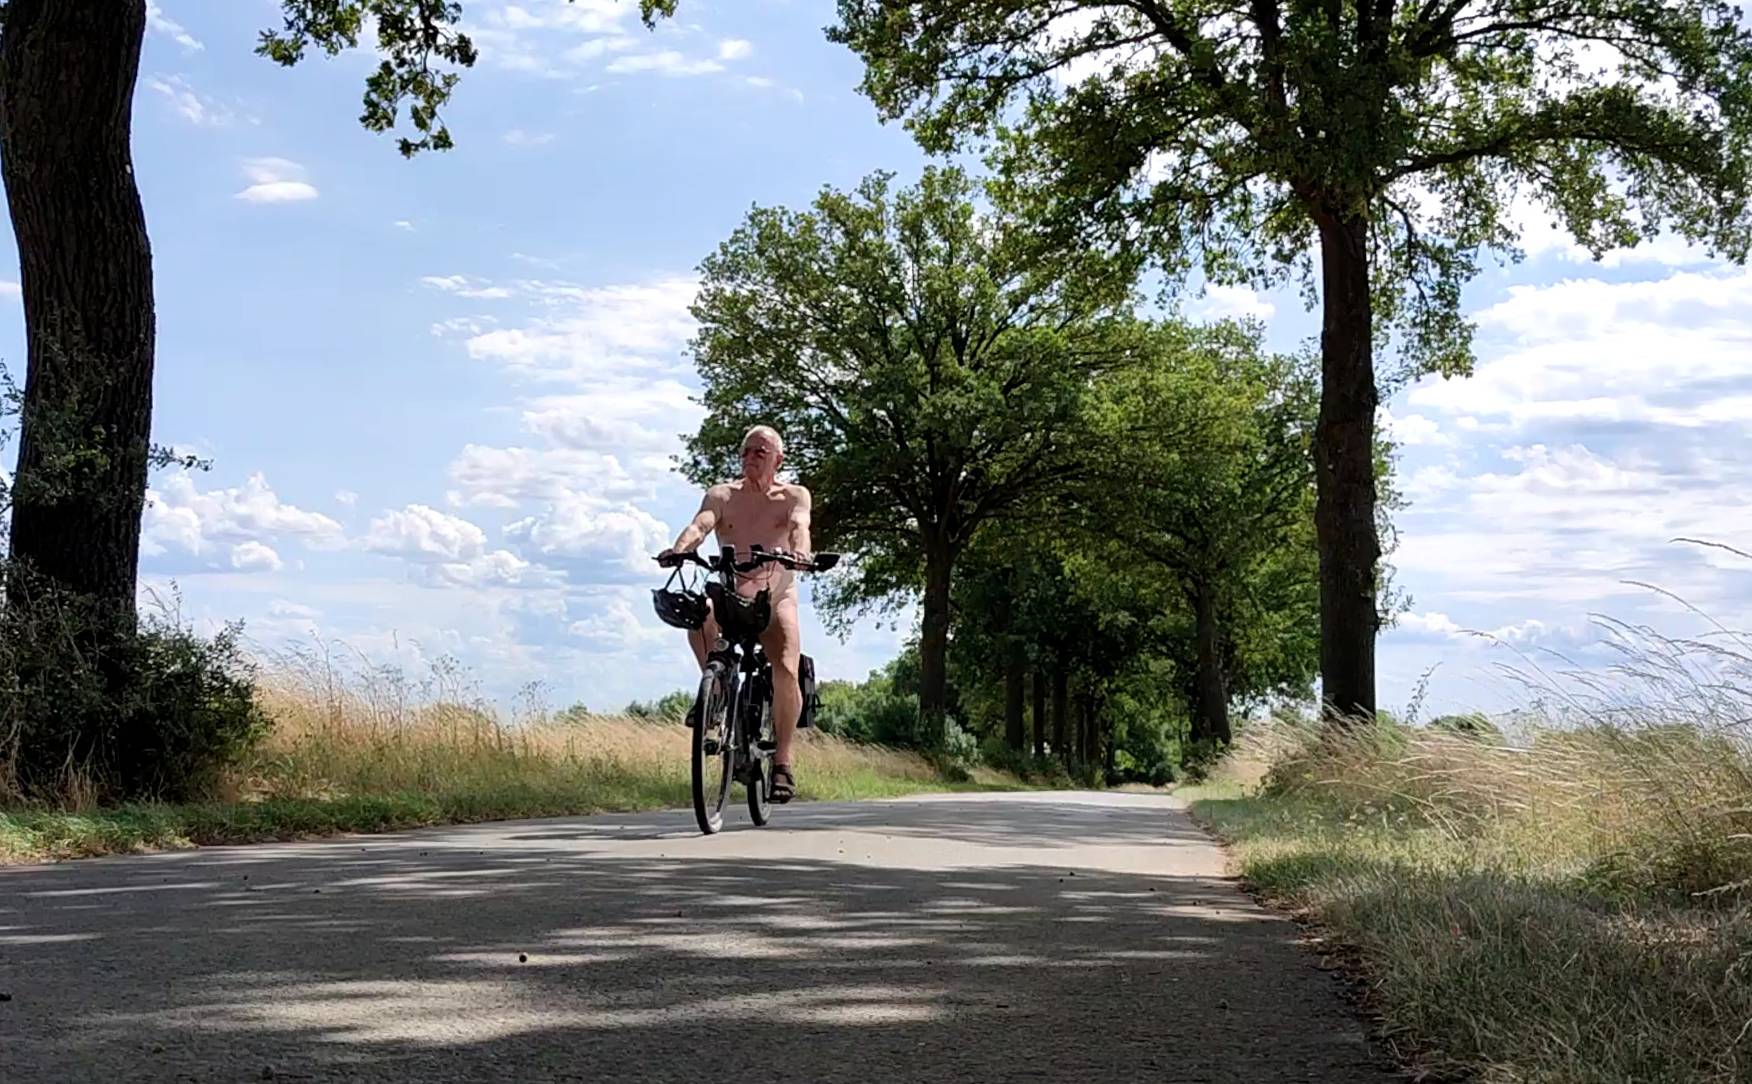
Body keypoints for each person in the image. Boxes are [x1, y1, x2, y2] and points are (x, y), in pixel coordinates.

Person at [658, 424, 812, 802]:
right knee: (700, 615)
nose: (750, 457)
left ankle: (783, 763)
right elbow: (700, 525)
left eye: (760, 451)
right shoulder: (723, 494)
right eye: (745, 451)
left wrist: (801, 554)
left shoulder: (793, 495)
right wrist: (679, 549)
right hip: (731, 592)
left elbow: (799, 526)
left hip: (775, 596)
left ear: (778, 459)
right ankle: (715, 694)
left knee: (786, 666)